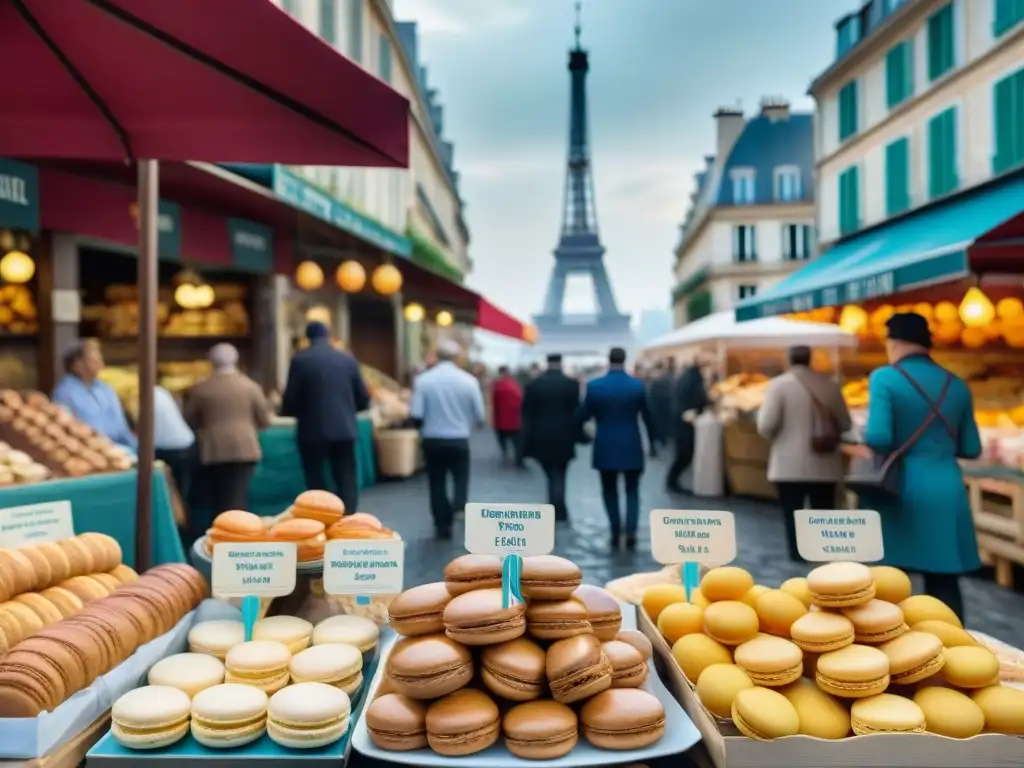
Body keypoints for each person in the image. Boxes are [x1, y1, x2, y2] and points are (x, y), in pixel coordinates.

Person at [859, 312, 981, 622]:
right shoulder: (957, 385)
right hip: (947, 488)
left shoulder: (884, 378)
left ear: (895, 342)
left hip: (900, 488)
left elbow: (879, 436)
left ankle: (896, 652)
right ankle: (956, 650)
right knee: (944, 580)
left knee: (891, 581)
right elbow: (971, 448)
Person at [756, 345, 852, 562]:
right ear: (810, 359)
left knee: (793, 513)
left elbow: (766, 425)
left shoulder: (778, 386)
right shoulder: (829, 384)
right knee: (823, 512)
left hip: (788, 463)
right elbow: (845, 424)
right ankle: (822, 552)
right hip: (825, 462)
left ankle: (798, 555)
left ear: (789, 360)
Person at [282, 321, 371, 514]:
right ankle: (347, 519)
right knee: (346, 477)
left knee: (315, 479)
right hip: (344, 428)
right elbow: (363, 397)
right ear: (329, 335)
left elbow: (290, 400)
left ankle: (321, 518)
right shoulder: (347, 360)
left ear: (308, 337)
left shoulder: (300, 361)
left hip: (311, 430)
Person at [578, 347, 655, 551]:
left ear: (608, 359)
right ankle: (631, 531)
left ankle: (614, 530)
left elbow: (584, 415)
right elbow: (647, 416)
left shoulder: (595, 386)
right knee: (632, 490)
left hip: (605, 444)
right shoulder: (637, 386)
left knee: (609, 491)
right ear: (625, 359)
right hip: (631, 443)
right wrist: (654, 443)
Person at [184, 344, 271, 522]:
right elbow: (264, 419)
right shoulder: (250, 386)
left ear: (211, 361)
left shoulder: (201, 389)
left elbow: (190, 418)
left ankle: (221, 535)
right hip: (245, 448)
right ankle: (238, 534)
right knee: (238, 495)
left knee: (219, 498)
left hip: (213, 450)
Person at [410, 339, 485, 539]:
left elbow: (416, 414)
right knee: (461, 477)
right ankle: (458, 506)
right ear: (457, 358)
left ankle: (442, 523)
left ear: (437, 355)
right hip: (459, 438)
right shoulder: (469, 381)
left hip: (432, 438)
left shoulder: (424, 381)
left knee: (437, 482)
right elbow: (480, 416)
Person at [522, 354, 582, 523]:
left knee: (550, 473)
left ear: (547, 363)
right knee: (560, 473)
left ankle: (554, 504)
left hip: (541, 435)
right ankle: (559, 507)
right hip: (564, 435)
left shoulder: (534, 385)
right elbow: (576, 412)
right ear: (560, 363)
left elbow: (527, 414)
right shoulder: (571, 385)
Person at [53, 340, 137, 450]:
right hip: (88, 451)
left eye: (100, 358)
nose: (100, 363)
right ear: (77, 365)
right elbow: (64, 430)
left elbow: (122, 429)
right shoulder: (65, 392)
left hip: (121, 449)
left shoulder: (106, 389)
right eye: (93, 360)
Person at [666, 353, 710, 493]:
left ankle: (672, 481)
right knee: (684, 453)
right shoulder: (694, 378)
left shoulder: (689, 376)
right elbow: (696, 397)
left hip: (681, 419)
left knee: (683, 453)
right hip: (685, 420)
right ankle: (672, 482)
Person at [153, 385, 196, 508]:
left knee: (171, 492)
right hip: (186, 443)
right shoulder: (163, 392)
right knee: (182, 492)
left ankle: (179, 521)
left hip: (168, 449)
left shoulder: (146, 396)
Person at [491, 366, 524, 466]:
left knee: (502, 440)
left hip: (501, 420)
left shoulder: (497, 386)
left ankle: (505, 454)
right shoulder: (516, 385)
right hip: (515, 420)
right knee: (516, 441)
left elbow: (494, 404)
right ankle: (518, 458)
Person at [646, 361, 674, 454]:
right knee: (662, 426)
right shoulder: (667, 378)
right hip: (663, 407)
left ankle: (653, 445)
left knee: (653, 427)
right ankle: (661, 441)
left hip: (653, 406)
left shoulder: (652, 378)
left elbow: (649, 393)